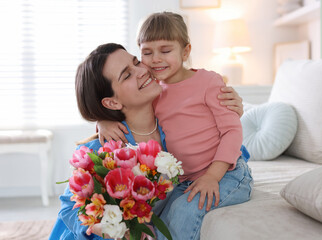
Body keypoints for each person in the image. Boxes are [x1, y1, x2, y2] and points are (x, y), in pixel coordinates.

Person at [49, 42, 247, 239]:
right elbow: (68, 209)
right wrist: (101, 227)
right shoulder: (103, 151)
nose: (142, 70)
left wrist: (225, 111)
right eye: (127, 75)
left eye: (136, 62)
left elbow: (235, 151)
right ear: (112, 102)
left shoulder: (178, 124)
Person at [96, 12, 253, 240]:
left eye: (166, 50)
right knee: (155, 215)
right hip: (186, 179)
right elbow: (123, 105)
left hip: (228, 173)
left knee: (184, 210)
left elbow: (232, 130)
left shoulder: (208, 82)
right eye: (147, 53)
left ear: (186, 51)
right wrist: (102, 120)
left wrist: (212, 176)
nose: (156, 59)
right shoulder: (154, 90)